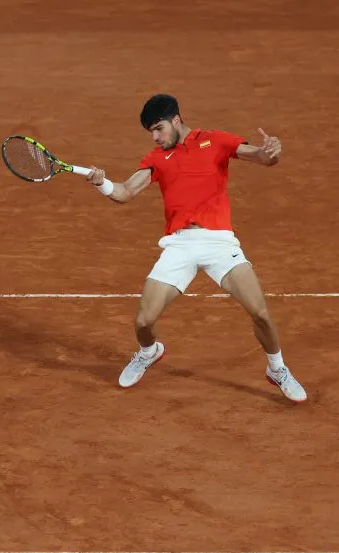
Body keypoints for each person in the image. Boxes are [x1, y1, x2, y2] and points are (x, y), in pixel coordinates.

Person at [84, 93, 306, 402]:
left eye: (159, 128)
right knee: (144, 321)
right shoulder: (156, 159)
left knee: (261, 313)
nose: (156, 136)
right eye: (151, 131)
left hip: (219, 242)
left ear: (176, 120)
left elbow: (261, 157)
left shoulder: (214, 141)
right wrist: (101, 183)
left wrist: (271, 151)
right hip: (180, 246)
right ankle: (149, 352)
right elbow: (124, 192)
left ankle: (277, 368)